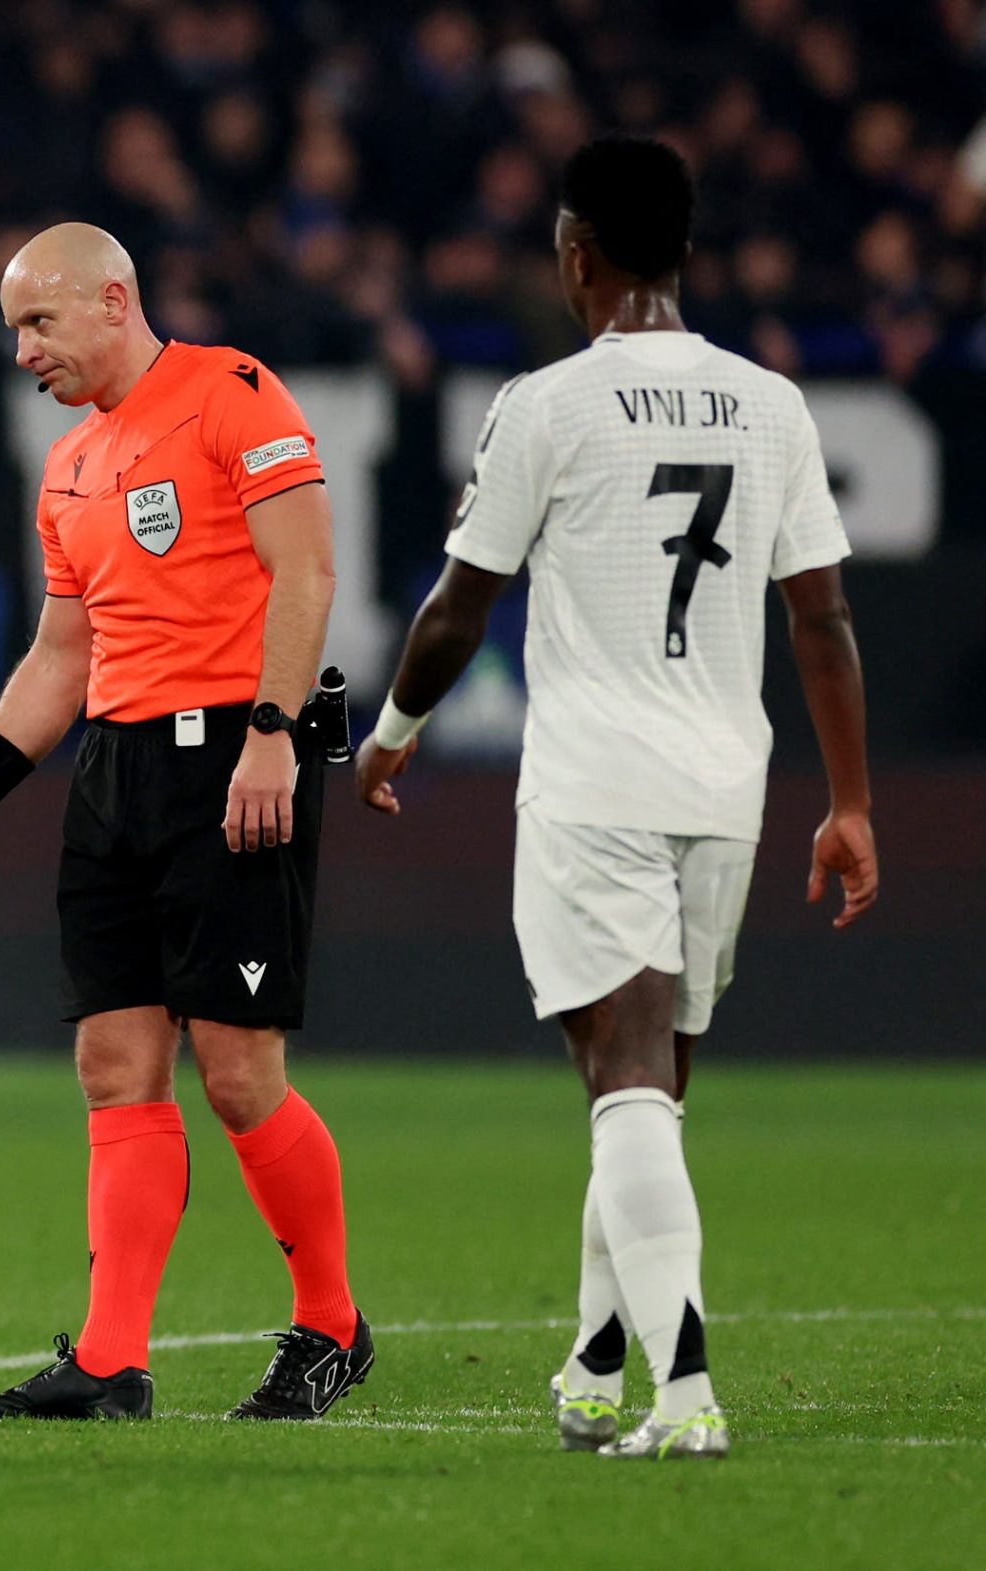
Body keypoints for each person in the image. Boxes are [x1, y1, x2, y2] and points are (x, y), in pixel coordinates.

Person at [354, 137, 877, 1460]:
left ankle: (685, 1392)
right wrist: (852, 800)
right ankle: (594, 1362)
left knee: (625, 1080)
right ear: (684, 250)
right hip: (725, 783)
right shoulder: (772, 404)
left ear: (575, 251)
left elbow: (459, 600)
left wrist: (393, 730)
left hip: (595, 784)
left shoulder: (547, 405)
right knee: (647, 1091)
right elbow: (822, 620)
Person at [0, 223, 370, 1422]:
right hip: (115, 775)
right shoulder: (71, 467)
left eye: (39, 323)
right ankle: (107, 1361)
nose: (24, 350)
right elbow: (62, 652)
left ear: (111, 298)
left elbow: (304, 573)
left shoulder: (231, 393)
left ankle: (332, 1326)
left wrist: (270, 734)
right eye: (13, 331)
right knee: (113, 1063)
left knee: (239, 1071)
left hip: (232, 764)